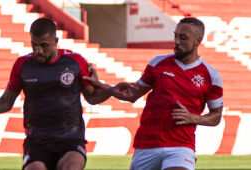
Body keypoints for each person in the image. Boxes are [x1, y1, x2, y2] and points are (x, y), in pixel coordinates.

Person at [0, 17, 112, 170]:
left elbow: (92, 98)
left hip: (70, 140)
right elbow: (5, 103)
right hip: (37, 142)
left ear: (56, 42)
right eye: (34, 45)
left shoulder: (75, 62)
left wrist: (112, 91)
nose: (38, 51)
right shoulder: (23, 65)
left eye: (44, 45)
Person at [84, 17, 223, 170]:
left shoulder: (211, 75)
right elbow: (132, 94)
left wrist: (193, 118)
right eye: (175, 36)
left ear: (198, 40)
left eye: (183, 38)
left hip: (181, 146)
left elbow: (216, 116)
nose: (176, 42)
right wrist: (107, 88)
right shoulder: (158, 63)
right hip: (147, 144)